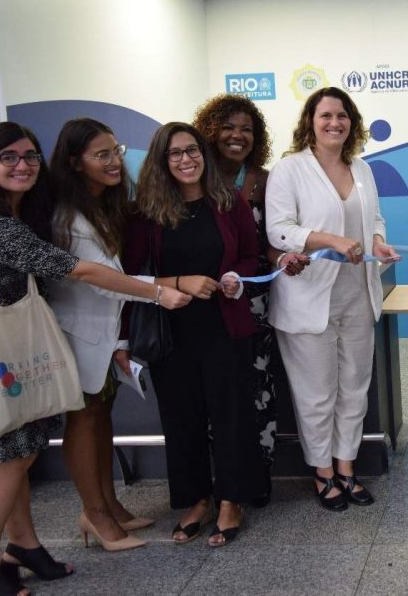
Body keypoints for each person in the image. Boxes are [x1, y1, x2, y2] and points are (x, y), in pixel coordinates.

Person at [0, 122, 189, 596]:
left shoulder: (12, 215)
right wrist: (157, 292)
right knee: (11, 457)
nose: (22, 166)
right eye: (9, 158)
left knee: (17, 454)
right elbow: (80, 269)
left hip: (13, 353)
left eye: (29, 157)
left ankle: (23, 546)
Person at [123, 121, 263, 548]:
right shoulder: (144, 214)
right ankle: (197, 500)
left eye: (192, 151)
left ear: (204, 154)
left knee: (231, 416)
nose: (186, 160)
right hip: (172, 333)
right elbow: (132, 276)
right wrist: (179, 281)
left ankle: (230, 501)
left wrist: (238, 278)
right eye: (175, 154)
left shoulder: (229, 202)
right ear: (161, 162)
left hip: (225, 327)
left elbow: (251, 257)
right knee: (181, 420)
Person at [265, 87, 398, 511]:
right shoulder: (289, 170)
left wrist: (377, 242)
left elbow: (374, 217)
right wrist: (331, 241)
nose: (334, 123)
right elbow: (279, 230)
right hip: (308, 299)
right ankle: (322, 473)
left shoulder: (361, 168)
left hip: (358, 294)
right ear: (311, 121)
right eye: (325, 116)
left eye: (341, 116)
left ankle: (346, 467)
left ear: (351, 121)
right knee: (317, 393)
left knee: (355, 388)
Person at [48, 119, 157, 552]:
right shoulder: (66, 215)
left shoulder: (105, 205)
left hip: (105, 333)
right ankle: (93, 514)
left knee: (101, 415)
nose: (115, 162)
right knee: (84, 419)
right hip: (78, 332)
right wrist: (163, 289)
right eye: (102, 155)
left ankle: (110, 503)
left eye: (116, 150)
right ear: (75, 163)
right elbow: (101, 279)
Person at [193, 94, 307, 507]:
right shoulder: (192, 179)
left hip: (251, 305)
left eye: (246, 129)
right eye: (228, 127)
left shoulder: (262, 179)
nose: (237, 135)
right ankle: (212, 486)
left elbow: (271, 242)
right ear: (210, 130)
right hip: (201, 303)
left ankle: (253, 482)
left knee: (254, 392)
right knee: (209, 397)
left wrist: (284, 259)